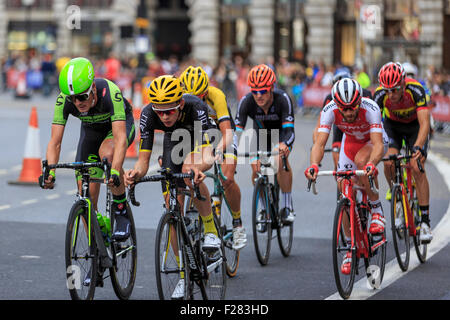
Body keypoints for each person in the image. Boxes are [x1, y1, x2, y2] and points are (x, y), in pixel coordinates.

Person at [123, 75, 220, 299]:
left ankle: (211, 231)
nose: (164, 116)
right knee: (171, 206)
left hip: (200, 138)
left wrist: (197, 168)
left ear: (181, 104)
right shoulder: (148, 114)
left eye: (170, 111)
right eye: (160, 112)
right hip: (174, 141)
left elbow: (207, 153)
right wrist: (135, 173)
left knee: (189, 171)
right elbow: (143, 161)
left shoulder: (196, 106)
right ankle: (184, 276)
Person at [40, 57, 136, 242]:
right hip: (91, 133)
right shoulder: (64, 100)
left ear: (93, 87)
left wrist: (115, 172)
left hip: (117, 128)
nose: (77, 102)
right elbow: (55, 142)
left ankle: (121, 208)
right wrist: (50, 172)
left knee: (107, 154)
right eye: (72, 98)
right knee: (86, 197)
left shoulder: (110, 92)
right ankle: (98, 254)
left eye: (82, 96)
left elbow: (120, 139)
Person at [305, 78, 388, 275]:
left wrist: (371, 164)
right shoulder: (329, 109)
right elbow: (319, 143)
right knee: (343, 188)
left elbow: (378, 145)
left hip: (372, 142)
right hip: (349, 144)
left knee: (362, 162)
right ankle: (350, 249)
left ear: (360, 101)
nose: (349, 113)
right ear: (337, 105)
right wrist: (314, 165)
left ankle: (376, 211)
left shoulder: (371, 108)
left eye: (353, 108)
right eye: (345, 109)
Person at [180, 65, 247, 251]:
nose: (195, 101)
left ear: (206, 91)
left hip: (220, 134)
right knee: (187, 172)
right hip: (195, 134)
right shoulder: (179, 96)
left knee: (227, 178)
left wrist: (218, 150)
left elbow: (227, 133)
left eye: (199, 97)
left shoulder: (216, 95)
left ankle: (237, 223)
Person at [374, 62, 432, 244]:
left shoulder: (415, 90)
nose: (391, 94)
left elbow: (425, 125)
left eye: (395, 90)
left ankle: (424, 222)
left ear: (403, 84)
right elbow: (374, 126)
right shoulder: (380, 95)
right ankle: (397, 197)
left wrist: (418, 148)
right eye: (387, 90)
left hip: (415, 127)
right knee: (389, 162)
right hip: (393, 128)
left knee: (416, 166)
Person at [235, 64, 295, 223]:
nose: (258, 95)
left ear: (272, 88)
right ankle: (263, 209)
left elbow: (290, 131)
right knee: (255, 166)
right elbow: (237, 132)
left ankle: (287, 206)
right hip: (260, 137)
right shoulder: (246, 102)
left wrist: (285, 145)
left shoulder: (283, 99)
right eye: (254, 91)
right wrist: (232, 150)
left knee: (279, 160)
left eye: (263, 91)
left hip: (281, 135)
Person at [313, 71, 373, 170]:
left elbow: (374, 119)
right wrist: (316, 144)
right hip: (341, 127)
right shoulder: (329, 99)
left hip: (361, 127)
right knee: (338, 162)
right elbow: (319, 126)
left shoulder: (365, 94)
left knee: (363, 163)